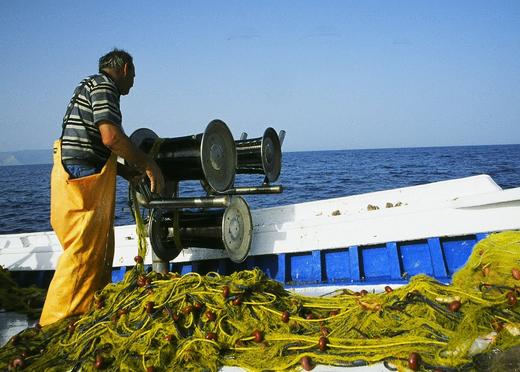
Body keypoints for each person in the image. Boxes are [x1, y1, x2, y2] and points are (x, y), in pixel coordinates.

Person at [40, 48, 165, 326]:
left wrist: (124, 171)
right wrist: (147, 164)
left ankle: (86, 313)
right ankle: (55, 324)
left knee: (91, 251)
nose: (133, 81)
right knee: (82, 254)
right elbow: (110, 138)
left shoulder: (87, 86)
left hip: (74, 173)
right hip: (83, 178)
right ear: (123, 69)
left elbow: (94, 143)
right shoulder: (105, 87)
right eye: (133, 75)